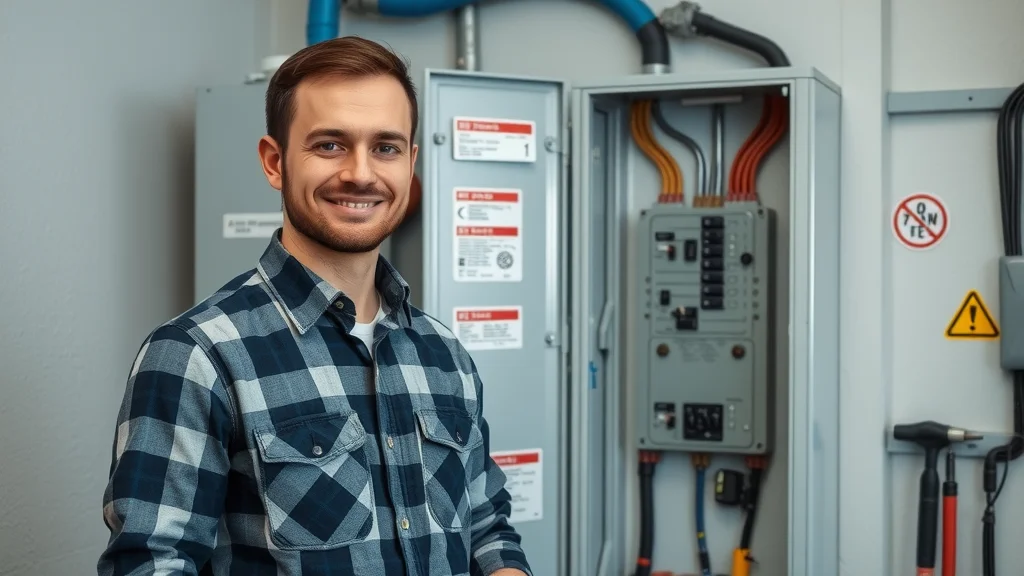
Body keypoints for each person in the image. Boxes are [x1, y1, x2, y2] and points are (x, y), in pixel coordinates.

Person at [97, 36, 531, 576]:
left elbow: (487, 527)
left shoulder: (445, 355)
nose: (361, 173)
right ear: (275, 162)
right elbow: (152, 564)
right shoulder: (198, 357)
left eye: (386, 147)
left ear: (410, 163)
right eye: (330, 145)